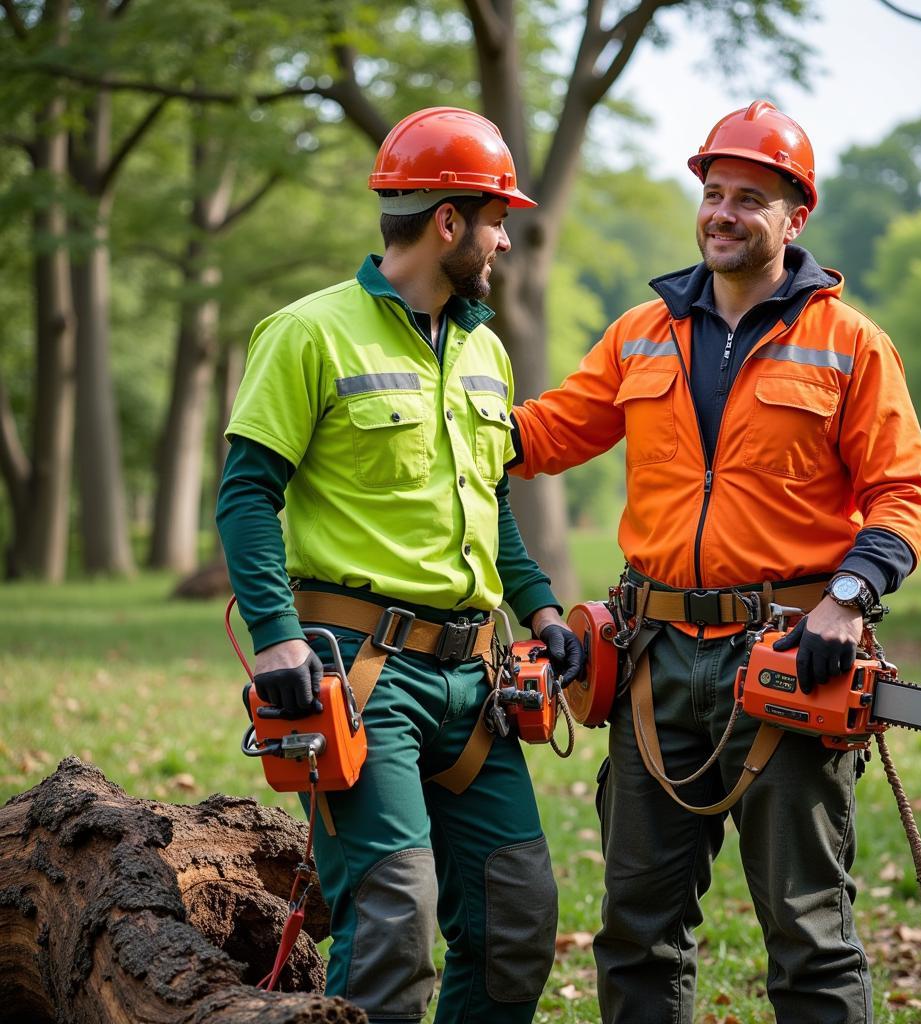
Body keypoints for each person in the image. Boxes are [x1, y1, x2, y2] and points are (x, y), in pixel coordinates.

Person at [508, 100, 921, 1024]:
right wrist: (448, 416)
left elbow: (906, 494)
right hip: (652, 661)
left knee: (810, 936)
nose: (724, 212)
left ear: (796, 217)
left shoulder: (850, 342)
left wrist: (849, 602)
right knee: (635, 933)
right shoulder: (640, 332)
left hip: (790, 659)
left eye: (750, 197)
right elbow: (542, 434)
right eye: (713, 193)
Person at [217, 106, 582, 1024]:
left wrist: (540, 613)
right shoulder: (307, 334)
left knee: (518, 915)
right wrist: (274, 640)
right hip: (357, 669)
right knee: (392, 917)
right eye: (496, 218)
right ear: (448, 221)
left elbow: (489, 506)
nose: (505, 240)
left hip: (475, 678)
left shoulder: (486, 350)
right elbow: (245, 494)